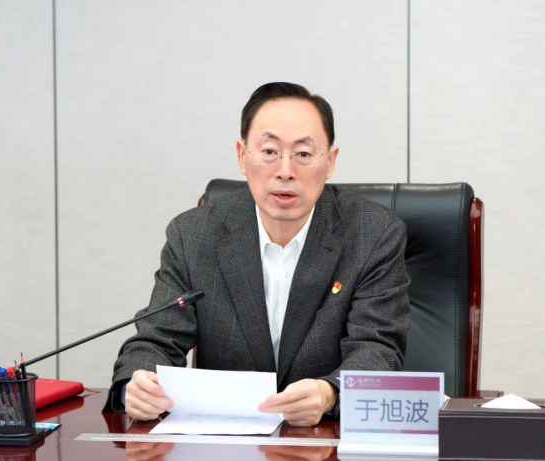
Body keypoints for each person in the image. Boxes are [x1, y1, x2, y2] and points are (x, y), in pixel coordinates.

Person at [105, 82, 411, 426]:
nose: (285, 171)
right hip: (225, 438)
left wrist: (331, 393)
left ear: (330, 162)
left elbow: (378, 348)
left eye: (303, 154)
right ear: (242, 156)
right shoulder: (194, 236)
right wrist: (136, 385)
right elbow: (156, 339)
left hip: (326, 435)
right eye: (269, 151)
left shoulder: (372, 234)